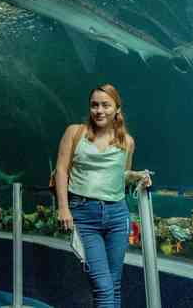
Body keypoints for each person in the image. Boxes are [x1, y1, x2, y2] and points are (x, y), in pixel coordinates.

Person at [55, 84, 152, 308]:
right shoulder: (75, 132)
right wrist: (63, 207)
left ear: (117, 109)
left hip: (117, 216)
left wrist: (137, 176)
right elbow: (61, 170)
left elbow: (121, 174)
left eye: (105, 105)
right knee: (103, 287)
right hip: (84, 215)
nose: (99, 110)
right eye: (94, 105)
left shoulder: (127, 142)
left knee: (114, 285)